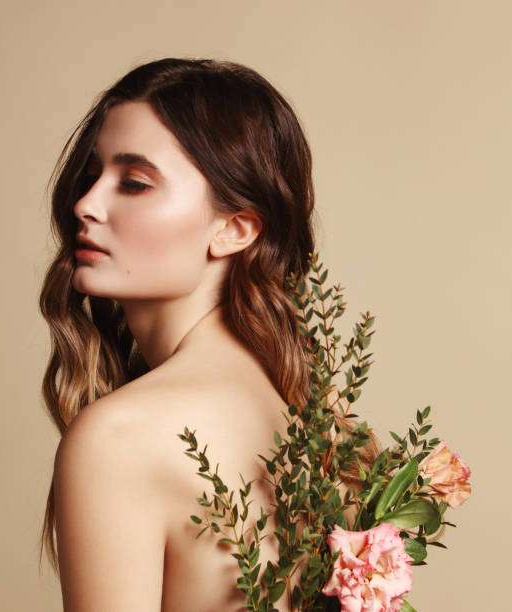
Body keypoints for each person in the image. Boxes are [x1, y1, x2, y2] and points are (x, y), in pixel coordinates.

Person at [38, 57, 317, 611]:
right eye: (93, 175)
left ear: (234, 228)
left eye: (135, 183)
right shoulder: (315, 418)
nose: (85, 204)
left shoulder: (119, 438)